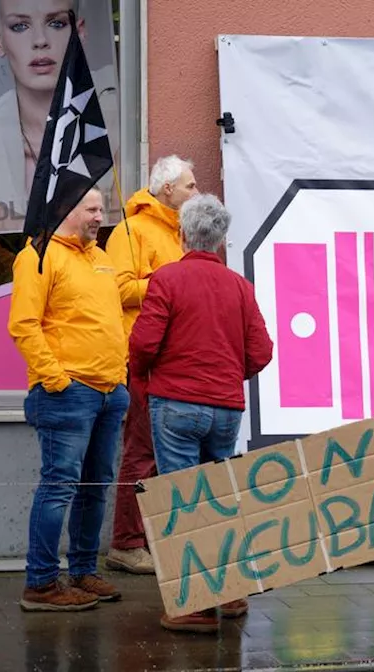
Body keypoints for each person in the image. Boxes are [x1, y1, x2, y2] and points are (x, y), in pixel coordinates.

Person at [128, 193, 273, 633]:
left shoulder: (167, 279)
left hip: (176, 404)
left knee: (181, 503)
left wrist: (146, 376)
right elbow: (262, 351)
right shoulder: (239, 286)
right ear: (222, 240)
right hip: (225, 406)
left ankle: (191, 605)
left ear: (181, 233)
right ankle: (229, 593)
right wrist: (231, 375)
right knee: (218, 498)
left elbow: (143, 343)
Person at [7, 187, 129, 611]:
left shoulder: (101, 259)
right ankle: (40, 583)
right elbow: (23, 325)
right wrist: (57, 380)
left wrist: (122, 375)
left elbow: (110, 320)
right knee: (59, 486)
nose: (101, 216)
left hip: (110, 392)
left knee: (94, 487)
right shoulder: (38, 255)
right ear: (66, 209)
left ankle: (81, 572)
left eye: (102, 209)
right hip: (67, 393)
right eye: (92, 209)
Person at [102, 154, 196, 574]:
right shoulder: (131, 229)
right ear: (167, 189)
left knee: (162, 454)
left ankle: (149, 537)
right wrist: (172, 281)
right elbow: (117, 290)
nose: (197, 191)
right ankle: (125, 542)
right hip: (141, 358)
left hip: (172, 357)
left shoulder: (180, 233)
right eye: (190, 185)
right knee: (141, 453)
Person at [0, 0, 120, 232]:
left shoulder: (116, 126)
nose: (40, 41)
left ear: (79, 32)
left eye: (57, 23)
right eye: (20, 26)